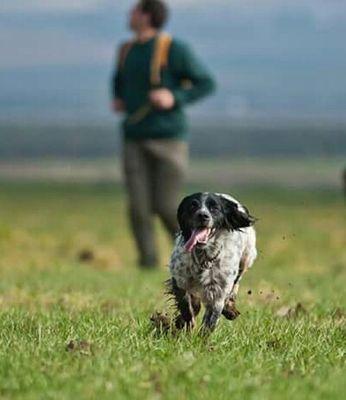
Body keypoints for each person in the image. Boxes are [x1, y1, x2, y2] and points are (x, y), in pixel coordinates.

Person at [111, 0, 216, 268]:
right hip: (134, 137)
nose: (129, 14)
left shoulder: (174, 49)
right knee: (138, 207)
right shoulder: (126, 50)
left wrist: (174, 96)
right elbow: (119, 83)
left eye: (134, 10)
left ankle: (192, 252)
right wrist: (118, 99)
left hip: (168, 138)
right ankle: (147, 262)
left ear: (146, 16)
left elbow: (206, 82)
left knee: (166, 204)